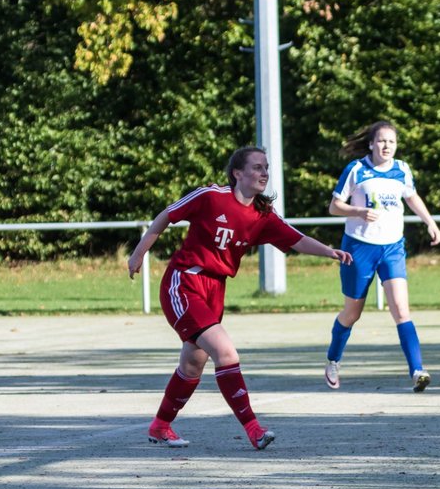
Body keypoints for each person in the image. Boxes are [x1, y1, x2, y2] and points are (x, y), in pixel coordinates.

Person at [128, 146, 352, 450]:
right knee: (227, 354)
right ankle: (254, 428)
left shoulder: (262, 215)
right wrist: (138, 253)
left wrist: (329, 252)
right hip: (184, 283)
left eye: (266, 168)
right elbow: (166, 216)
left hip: (215, 290)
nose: (264, 173)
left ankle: (160, 426)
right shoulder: (210, 196)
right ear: (237, 173)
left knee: (193, 365)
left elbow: (295, 238)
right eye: (257, 167)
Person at [324, 121, 440, 393]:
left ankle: (417, 371)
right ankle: (333, 359)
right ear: (371, 144)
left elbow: (412, 198)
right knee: (352, 313)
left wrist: (430, 222)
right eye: (381, 141)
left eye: (391, 141)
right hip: (359, 248)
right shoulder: (356, 170)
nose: (386, 146)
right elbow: (334, 207)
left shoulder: (402, 170)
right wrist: (358, 212)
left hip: (392, 247)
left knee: (401, 310)